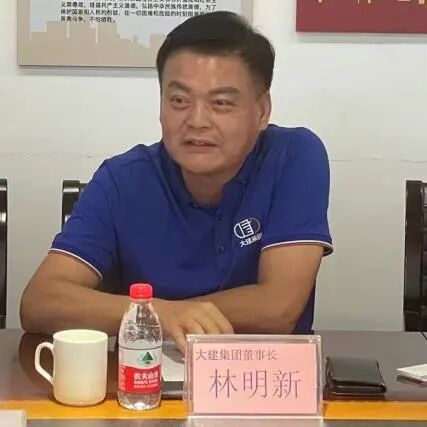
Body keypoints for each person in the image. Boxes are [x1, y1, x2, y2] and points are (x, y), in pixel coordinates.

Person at [20, 11, 333, 352]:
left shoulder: (293, 156)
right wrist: (159, 313)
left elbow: (277, 308)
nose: (197, 121)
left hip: (265, 375)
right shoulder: (123, 180)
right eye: (179, 101)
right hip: (147, 376)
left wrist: (166, 314)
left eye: (221, 103)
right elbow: (40, 302)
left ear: (262, 111)